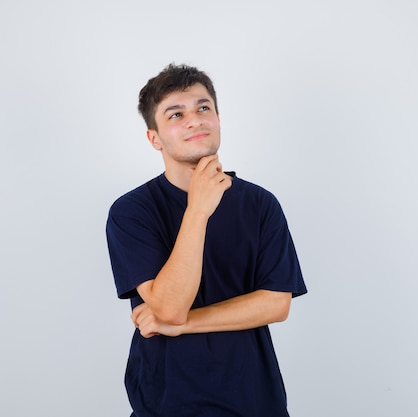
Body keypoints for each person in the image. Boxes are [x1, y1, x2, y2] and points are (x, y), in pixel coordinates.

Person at [106, 63, 307, 417]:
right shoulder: (131, 212)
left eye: (203, 108)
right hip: (166, 402)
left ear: (218, 119)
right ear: (155, 138)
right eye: (176, 114)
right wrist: (197, 210)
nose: (194, 120)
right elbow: (170, 306)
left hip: (254, 400)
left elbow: (276, 304)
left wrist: (178, 324)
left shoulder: (260, 204)